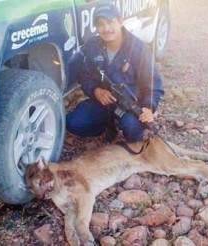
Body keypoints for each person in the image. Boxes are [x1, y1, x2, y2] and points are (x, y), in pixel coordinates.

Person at [66, 2, 164, 143]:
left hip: (130, 106)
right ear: (96, 27)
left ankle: (123, 124)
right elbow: (84, 75)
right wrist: (95, 90)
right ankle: (108, 125)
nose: (106, 29)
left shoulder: (138, 49)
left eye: (111, 22)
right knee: (73, 123)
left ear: (120, 21)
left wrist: (148, 107)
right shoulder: (92, 46)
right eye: (101, 24)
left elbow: (154, 84)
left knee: (133, 129)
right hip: (102, 103)